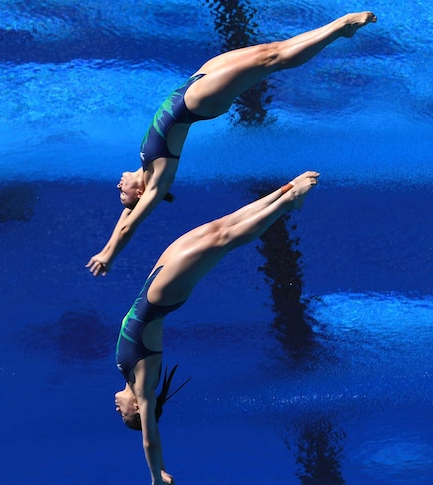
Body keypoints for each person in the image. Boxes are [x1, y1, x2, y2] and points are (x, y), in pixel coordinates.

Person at [86, 12, 375, 277]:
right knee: (271, 61)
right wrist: (108, 254)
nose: (117, 188)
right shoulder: (156, 181)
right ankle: (339, 28)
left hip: (194, 83)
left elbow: (125, 216)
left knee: (269, 51)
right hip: (198, 101)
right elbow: (128, 224)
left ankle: (338, 29)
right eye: (123, 195)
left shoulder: (144, 168)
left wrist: (116, 229)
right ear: (139, 193)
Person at [114, 170, 320, 484]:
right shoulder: (143, 387)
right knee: (223, 241)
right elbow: (149, 440)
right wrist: (156, 476)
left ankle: (288, 189)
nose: (119, 412)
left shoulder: (126, 373)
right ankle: (289, 202)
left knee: (221, 226)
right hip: (161, 297)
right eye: (127, 418)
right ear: (139, 413)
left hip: (153, 285)